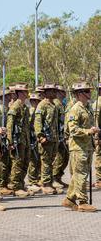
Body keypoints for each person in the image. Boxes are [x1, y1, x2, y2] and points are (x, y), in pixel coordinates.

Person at [62, 82, 98, 212]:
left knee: (79, 175)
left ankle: (70, 199)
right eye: (87, 91)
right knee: (81, 175)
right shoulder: (75, 109)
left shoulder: (87, 108)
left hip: (87, 146)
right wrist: (89, 131)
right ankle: (82, 202)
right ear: (79, 94)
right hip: (78, 147)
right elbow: (73, 130)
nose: (89, 93)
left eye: (89, 91)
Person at [34, 83, 59, 195]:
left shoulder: (53, 105)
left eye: (55, 90)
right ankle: (46, 184)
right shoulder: (42, 105)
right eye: (52, 91)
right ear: (46, 92)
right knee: (46, 161)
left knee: (51, 161)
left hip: (53, 138)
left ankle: (49, 182)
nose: (54, 93)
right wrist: (40, 136)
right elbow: (38, 122)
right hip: (46, 139)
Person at [6, 84, 30, 198]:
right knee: (17, 163)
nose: (27, 93)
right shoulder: (15, 107)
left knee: (24, 162)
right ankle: (15, 186)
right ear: (20, 93)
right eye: (25, 92)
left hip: (25, 140)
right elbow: (10, 125)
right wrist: (10, 142)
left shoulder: (24, 107)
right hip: (17, 140)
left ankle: (20, 184)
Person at [52, 85, 69, 192]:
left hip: (62, 135)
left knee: (65, 157)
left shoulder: (62, 104)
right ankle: (54, 178)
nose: (64, 94)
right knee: (58, 157)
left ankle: (58, 177)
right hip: (58, 135)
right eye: (62, 92)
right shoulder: (56, 104)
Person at [26, 91, 43, 194]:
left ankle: (35, 179)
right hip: (32, 137)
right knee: (33, 160)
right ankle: (32, 181)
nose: (35, 102)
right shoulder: (31, 111)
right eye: (34, 101)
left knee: (37, 159)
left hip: (34, 137)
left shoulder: (36, 110)